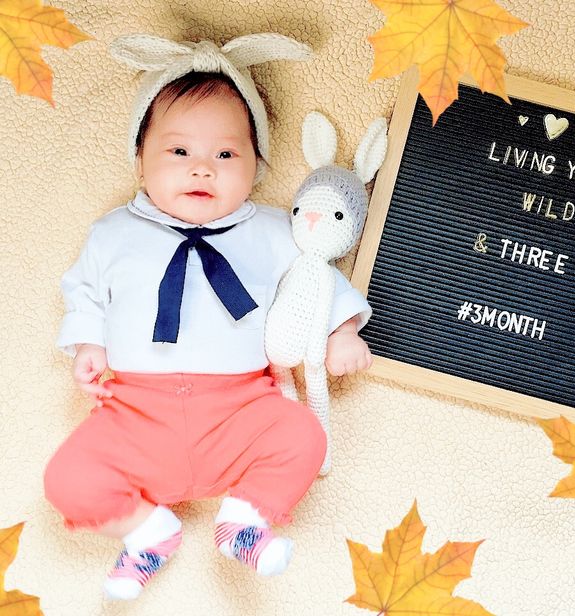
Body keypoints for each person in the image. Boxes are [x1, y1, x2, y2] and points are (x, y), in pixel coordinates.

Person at [43, 33, 373, 601]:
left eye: (226, 155)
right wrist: (88, 344)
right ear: (140, 158)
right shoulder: (115, 233)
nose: (203, 169)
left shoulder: (271, 231)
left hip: (241, 410)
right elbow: (84, 292)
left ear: (255, 164)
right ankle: (147, 531)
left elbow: (313, 282)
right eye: (178, 152)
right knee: (66, 481)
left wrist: (341, 330)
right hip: (134, 415)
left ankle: (245, 519)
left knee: (303, 436)